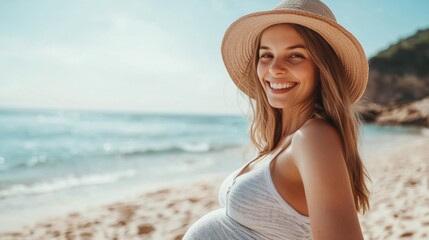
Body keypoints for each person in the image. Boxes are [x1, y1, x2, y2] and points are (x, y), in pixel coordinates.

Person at [183, 0, 371, 239]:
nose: (275, 68)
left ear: (322, 67)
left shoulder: (314, 137)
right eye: (267, 55)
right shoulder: (284, 141)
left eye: (295, 55)